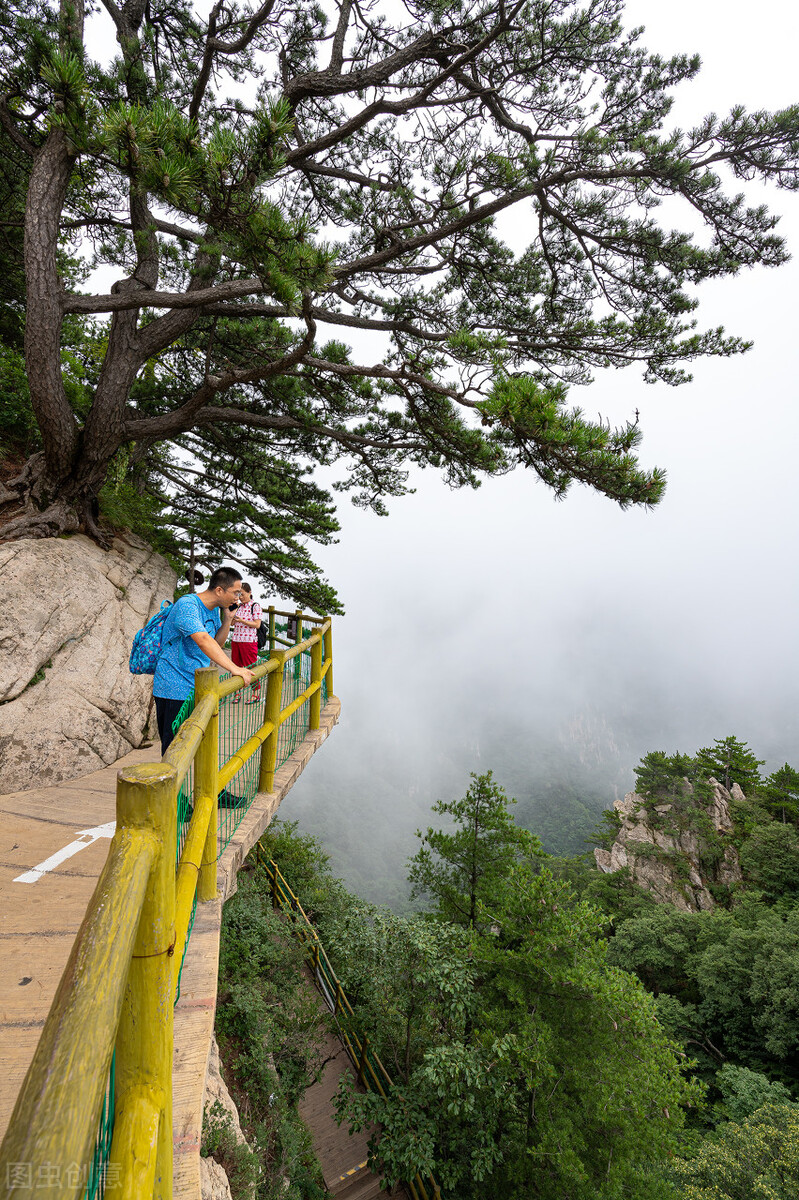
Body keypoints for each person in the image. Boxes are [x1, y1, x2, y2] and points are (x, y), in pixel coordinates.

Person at [153, 566, 254, 753]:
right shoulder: (188, 605)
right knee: (174, 748)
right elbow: (203, 640)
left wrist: (227, 621)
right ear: (219, 590)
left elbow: (216, 642)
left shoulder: (214, 610)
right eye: (235, 592)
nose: (237, 598)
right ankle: (171, 782)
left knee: (194, 746)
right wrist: (235, 668)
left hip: (197, 684)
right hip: (173, 685)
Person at [229, 582, 263, 703]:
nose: (240, 597)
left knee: (251, 667)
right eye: (238, 594)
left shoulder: (255, 606)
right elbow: (232, 623)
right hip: (236, 639)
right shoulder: (238, 606)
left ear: (249, 593)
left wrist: (242, 620)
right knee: (235, 667)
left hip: (249, 641)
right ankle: (237, 693)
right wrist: (231, 615)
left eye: (242, 594)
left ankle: (255, 694)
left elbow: (257, 624)